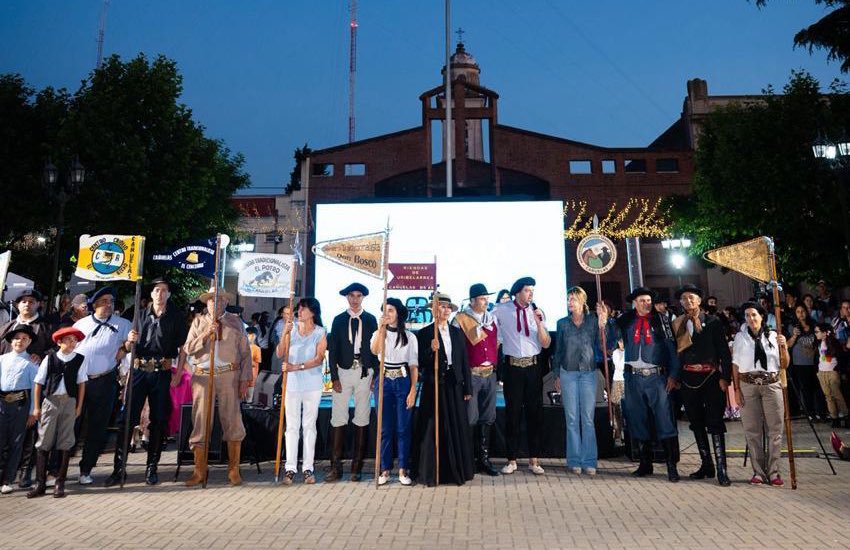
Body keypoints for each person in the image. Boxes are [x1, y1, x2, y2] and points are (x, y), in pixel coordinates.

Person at [103, 277, 188, 487]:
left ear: (168, 294)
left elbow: (183, 347)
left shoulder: (176, 317)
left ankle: (152, 468)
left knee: (158, 420)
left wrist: (178, 375)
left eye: (164, 290)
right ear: (151, 294)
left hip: (162, 372)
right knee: (127, 419)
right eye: (157, 290)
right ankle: (118, 469)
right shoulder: (137, 316)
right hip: (139, 370)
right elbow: (125, 347)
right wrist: (129, 341)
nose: (160, 294)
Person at [182, 287, 252, 487]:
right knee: (200, 421)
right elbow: (188, 349)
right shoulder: (197, 322)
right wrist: (205, 334)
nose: (216, 303)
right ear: (207, 303)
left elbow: (246, 353)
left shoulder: (236, 322)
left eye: (220, 300)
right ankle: (199, 470)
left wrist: (244, 380)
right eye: (212, 300)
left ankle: (234, 470)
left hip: (229, 375)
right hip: (203, 377)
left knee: (232, 421)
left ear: (226, 303)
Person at [615, 287, 681, 482]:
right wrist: (604, 322)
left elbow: (672, 349)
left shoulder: (662, 320)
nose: (646, 304)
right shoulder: (626, 321)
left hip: (657, 377)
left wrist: (673, 375)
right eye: (642, 300)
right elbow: (612, 338)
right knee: (637, 418)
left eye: (649, 300)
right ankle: (645, 463)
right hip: (633, 377)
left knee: (664, 419)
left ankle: (671, 465)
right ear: (634, 302)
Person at [671, 284, 733, 486]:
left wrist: (726, 377)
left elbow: (724, 351)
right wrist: (677, 377)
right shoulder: (679, 324)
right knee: (696, 422)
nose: (688, 301)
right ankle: (707, 465)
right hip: (689, 379)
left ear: (699, 300)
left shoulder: (713, 322)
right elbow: (678, 354)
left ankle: (722, 469)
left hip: (711, 378)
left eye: (691, 297)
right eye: (684, 298)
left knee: (715, 422)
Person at [72, 287, 135, 485]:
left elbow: (129, 346)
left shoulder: (123, 324)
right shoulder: (81, 324)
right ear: (94, 304)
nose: (109, 305)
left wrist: (126, 347)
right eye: (104, 301)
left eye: (111, 301)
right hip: (80, 381)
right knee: (72, 425)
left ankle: (86, 468)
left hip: (105, 380)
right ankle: (57, 470)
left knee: (98, 428)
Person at [410, 293, 474, 486]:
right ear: (433, 309)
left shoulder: (456, 333)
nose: (445, 310)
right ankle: (431, 472)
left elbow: (463, 361)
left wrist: (467, 387)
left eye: (448, 307)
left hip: (454, 385)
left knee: (455, 426)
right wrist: (431, 350)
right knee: (432, 427)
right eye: (441, 306)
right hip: (433, 386)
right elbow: (420, 362)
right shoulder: (424, 333)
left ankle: (456, 472)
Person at [492, 276, 551, 475]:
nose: (530, 294)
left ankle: (534, 459)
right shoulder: (502, 310)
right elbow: (491, 332)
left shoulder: (537, 312)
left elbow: (546, 344)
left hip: (533, 368)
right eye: (527, 290)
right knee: (513, 414)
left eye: (532, 291)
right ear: (517, 292)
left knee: (535, 414)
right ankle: (511, 459)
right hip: (512, 368)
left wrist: (539, 324)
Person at [0, 289, 55, 489]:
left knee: (29, 435)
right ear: (17, 305)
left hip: (32, 389)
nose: (27, 304)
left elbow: (55, 349)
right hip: (5, 392)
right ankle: (5, 474)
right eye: (23, 301)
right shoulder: (7, 326)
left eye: (31, 301)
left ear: (38, 304)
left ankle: (24, 472)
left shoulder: (46, 326)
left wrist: (43, 356)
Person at [732, 301, 790, 486]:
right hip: (748, 384)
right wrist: (737, 390)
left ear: (762, 316)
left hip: (771, 384)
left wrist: (784, 347)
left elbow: (784, 365)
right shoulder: (740, 337)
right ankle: (758, 472)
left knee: (775, 429)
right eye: (747, 315)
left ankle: (774, 472)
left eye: (754, 315)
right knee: (752, 430)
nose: (751, 318)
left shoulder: (774, 336)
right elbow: (735, 366)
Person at [27, 327, 88, 498]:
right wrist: (37, 407)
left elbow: (81, 383)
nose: (72, 343)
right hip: (51, 401)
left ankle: (59, 481)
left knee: (65, 440)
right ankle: (40, 483)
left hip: (69, 401)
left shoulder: (80, 359)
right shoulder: (50, 358)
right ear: (59, 342)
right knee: (44, 440)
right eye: (68, 339)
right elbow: (39, 382)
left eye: (74, 340)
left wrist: (78, 406)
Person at [326, 283, 377, 482]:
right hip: (343, 371)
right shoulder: (339, 320)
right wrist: (334, 377)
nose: (355, 299)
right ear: (347, 297)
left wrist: (374, 372)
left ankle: (357, 467)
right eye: (352, 296)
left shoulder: (371, 319)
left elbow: (376, 349)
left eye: (358, 296)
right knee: (338, 416)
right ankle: (335, 467)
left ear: (363, 298)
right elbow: (333, 350)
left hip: (365, 371)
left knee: (362, 416)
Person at [553, 286, 607, 476]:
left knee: (587, 419)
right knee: (572, 419)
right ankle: (574, 460)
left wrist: (604, 324)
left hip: (588, 374)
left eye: (573, 299)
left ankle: (589, 461)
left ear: (582, 301)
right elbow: (558, 351)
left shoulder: (593, 322)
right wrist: (556, 374)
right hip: (567, 373)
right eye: (568, 299)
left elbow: (604, 345)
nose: (570, 303)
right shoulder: (562, 324)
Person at [277, 297, 327, 485]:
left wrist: (295, 367)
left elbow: (319, 359)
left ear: (313, 312)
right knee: (291, 426)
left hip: (312, 384)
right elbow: (279, 353)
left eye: (303, 309)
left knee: (309, 426)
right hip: (291, 385)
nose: (300, 311)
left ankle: (308, 468)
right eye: (299, 308)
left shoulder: (320, 332)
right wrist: (284, 333)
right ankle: (290, 468)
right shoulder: (290, 329)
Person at [453, 283, 500, 477]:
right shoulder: (461, 319)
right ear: (472, 301)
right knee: (470, 417)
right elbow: (457, 349)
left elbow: (497, 343)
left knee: (488, 417)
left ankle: (483, 459)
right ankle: (468, 460)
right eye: (482, 298)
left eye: (486, 298)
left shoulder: (492, 319)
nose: (486, 301)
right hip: (472, 375)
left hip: (490, 373)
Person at [372, 298, 418, 486]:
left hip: (402, 380)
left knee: (403, 427)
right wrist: (380, 329)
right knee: (384, 428)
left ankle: (402, 469)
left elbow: (414, 366)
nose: (387, 314)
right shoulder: (378, 333)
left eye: (390, 310)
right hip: (383, 380)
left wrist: (413, 389)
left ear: (398, 313)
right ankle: (384, 469)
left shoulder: (410, 337)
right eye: (384, 310)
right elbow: (375, 350)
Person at [0, 325, 39, 494]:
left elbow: (34, 388)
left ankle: (8, 479)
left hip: (20, 405)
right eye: (17, 338)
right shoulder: (2, 359)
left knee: (16, 443)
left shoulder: (31, 364)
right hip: (1, 404)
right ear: (10, 341)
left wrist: (32, 411)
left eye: (24, 339)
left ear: (29, 341)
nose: (20, 341)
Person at [786, 304, 825, 419]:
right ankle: (810, 413)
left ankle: (821, 412)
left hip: (815, 362)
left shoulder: (814, 325)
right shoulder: (792, 326)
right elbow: (788, 345)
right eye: (798, 311)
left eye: (803, 311)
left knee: (818, 388)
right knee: (805, 389)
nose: (801, 314)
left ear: (806, 312)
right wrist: (794, 335)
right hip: (800, 363)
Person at [814, 323, 849, 428]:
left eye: (817, 332)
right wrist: (818, 370)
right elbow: (819, 357)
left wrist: (838, 370)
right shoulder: (819, 343)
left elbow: (841, 357)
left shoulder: (834, 343)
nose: (815, 334)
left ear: (824, 333)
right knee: (828, 396)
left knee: (837, 395)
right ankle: (834, 418)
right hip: (822, 371)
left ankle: (846, 416)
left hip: (832, 372)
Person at [245, 327, 261, 402]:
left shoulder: (256, 349)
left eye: (251, 335)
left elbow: (256, 364)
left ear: (255, 336)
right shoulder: (242, 347)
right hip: (242, 377)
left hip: (252, 377)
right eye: (248, 335)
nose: (249, 337)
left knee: (249, 398)